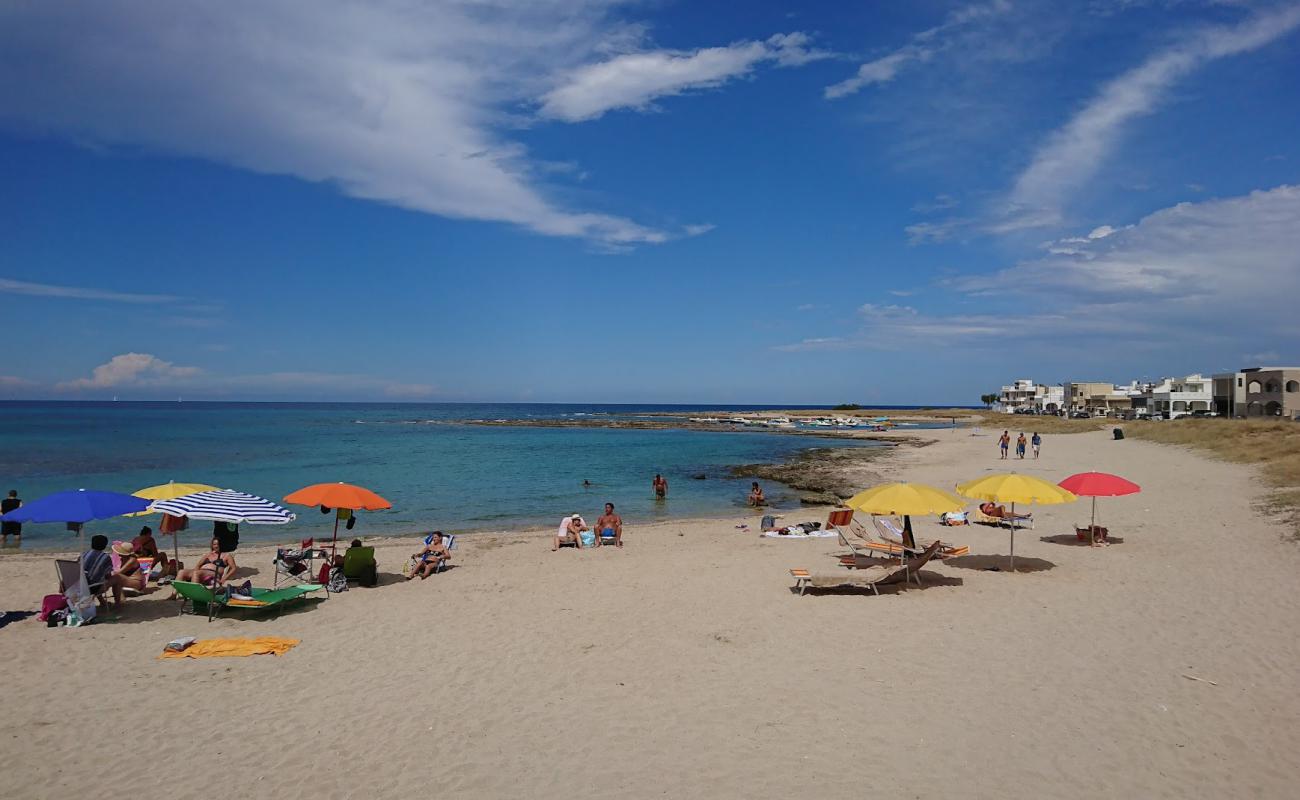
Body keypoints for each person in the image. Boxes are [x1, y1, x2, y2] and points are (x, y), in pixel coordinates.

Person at [81, 534, 124, 607]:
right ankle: (117, 604)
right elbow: (108, 576)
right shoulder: (105, 557)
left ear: (92, 544)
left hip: (78, 587)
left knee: (94, 577)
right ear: (104, 546)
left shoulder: (83, 555)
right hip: (92, 589)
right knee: (117, 578)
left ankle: (103, 602)